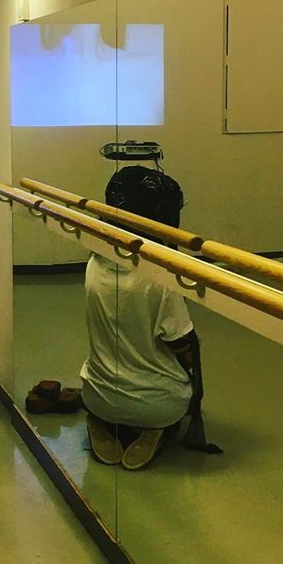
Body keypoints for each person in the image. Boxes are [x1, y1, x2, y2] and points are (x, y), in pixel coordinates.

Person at [79, 166, 202, 470]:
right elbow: (183, 347)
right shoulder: (159, 279)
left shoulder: (95, 263)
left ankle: (102, 421)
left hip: (97, 396)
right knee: (188, 351)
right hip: (158, 407)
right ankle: (154, 429)